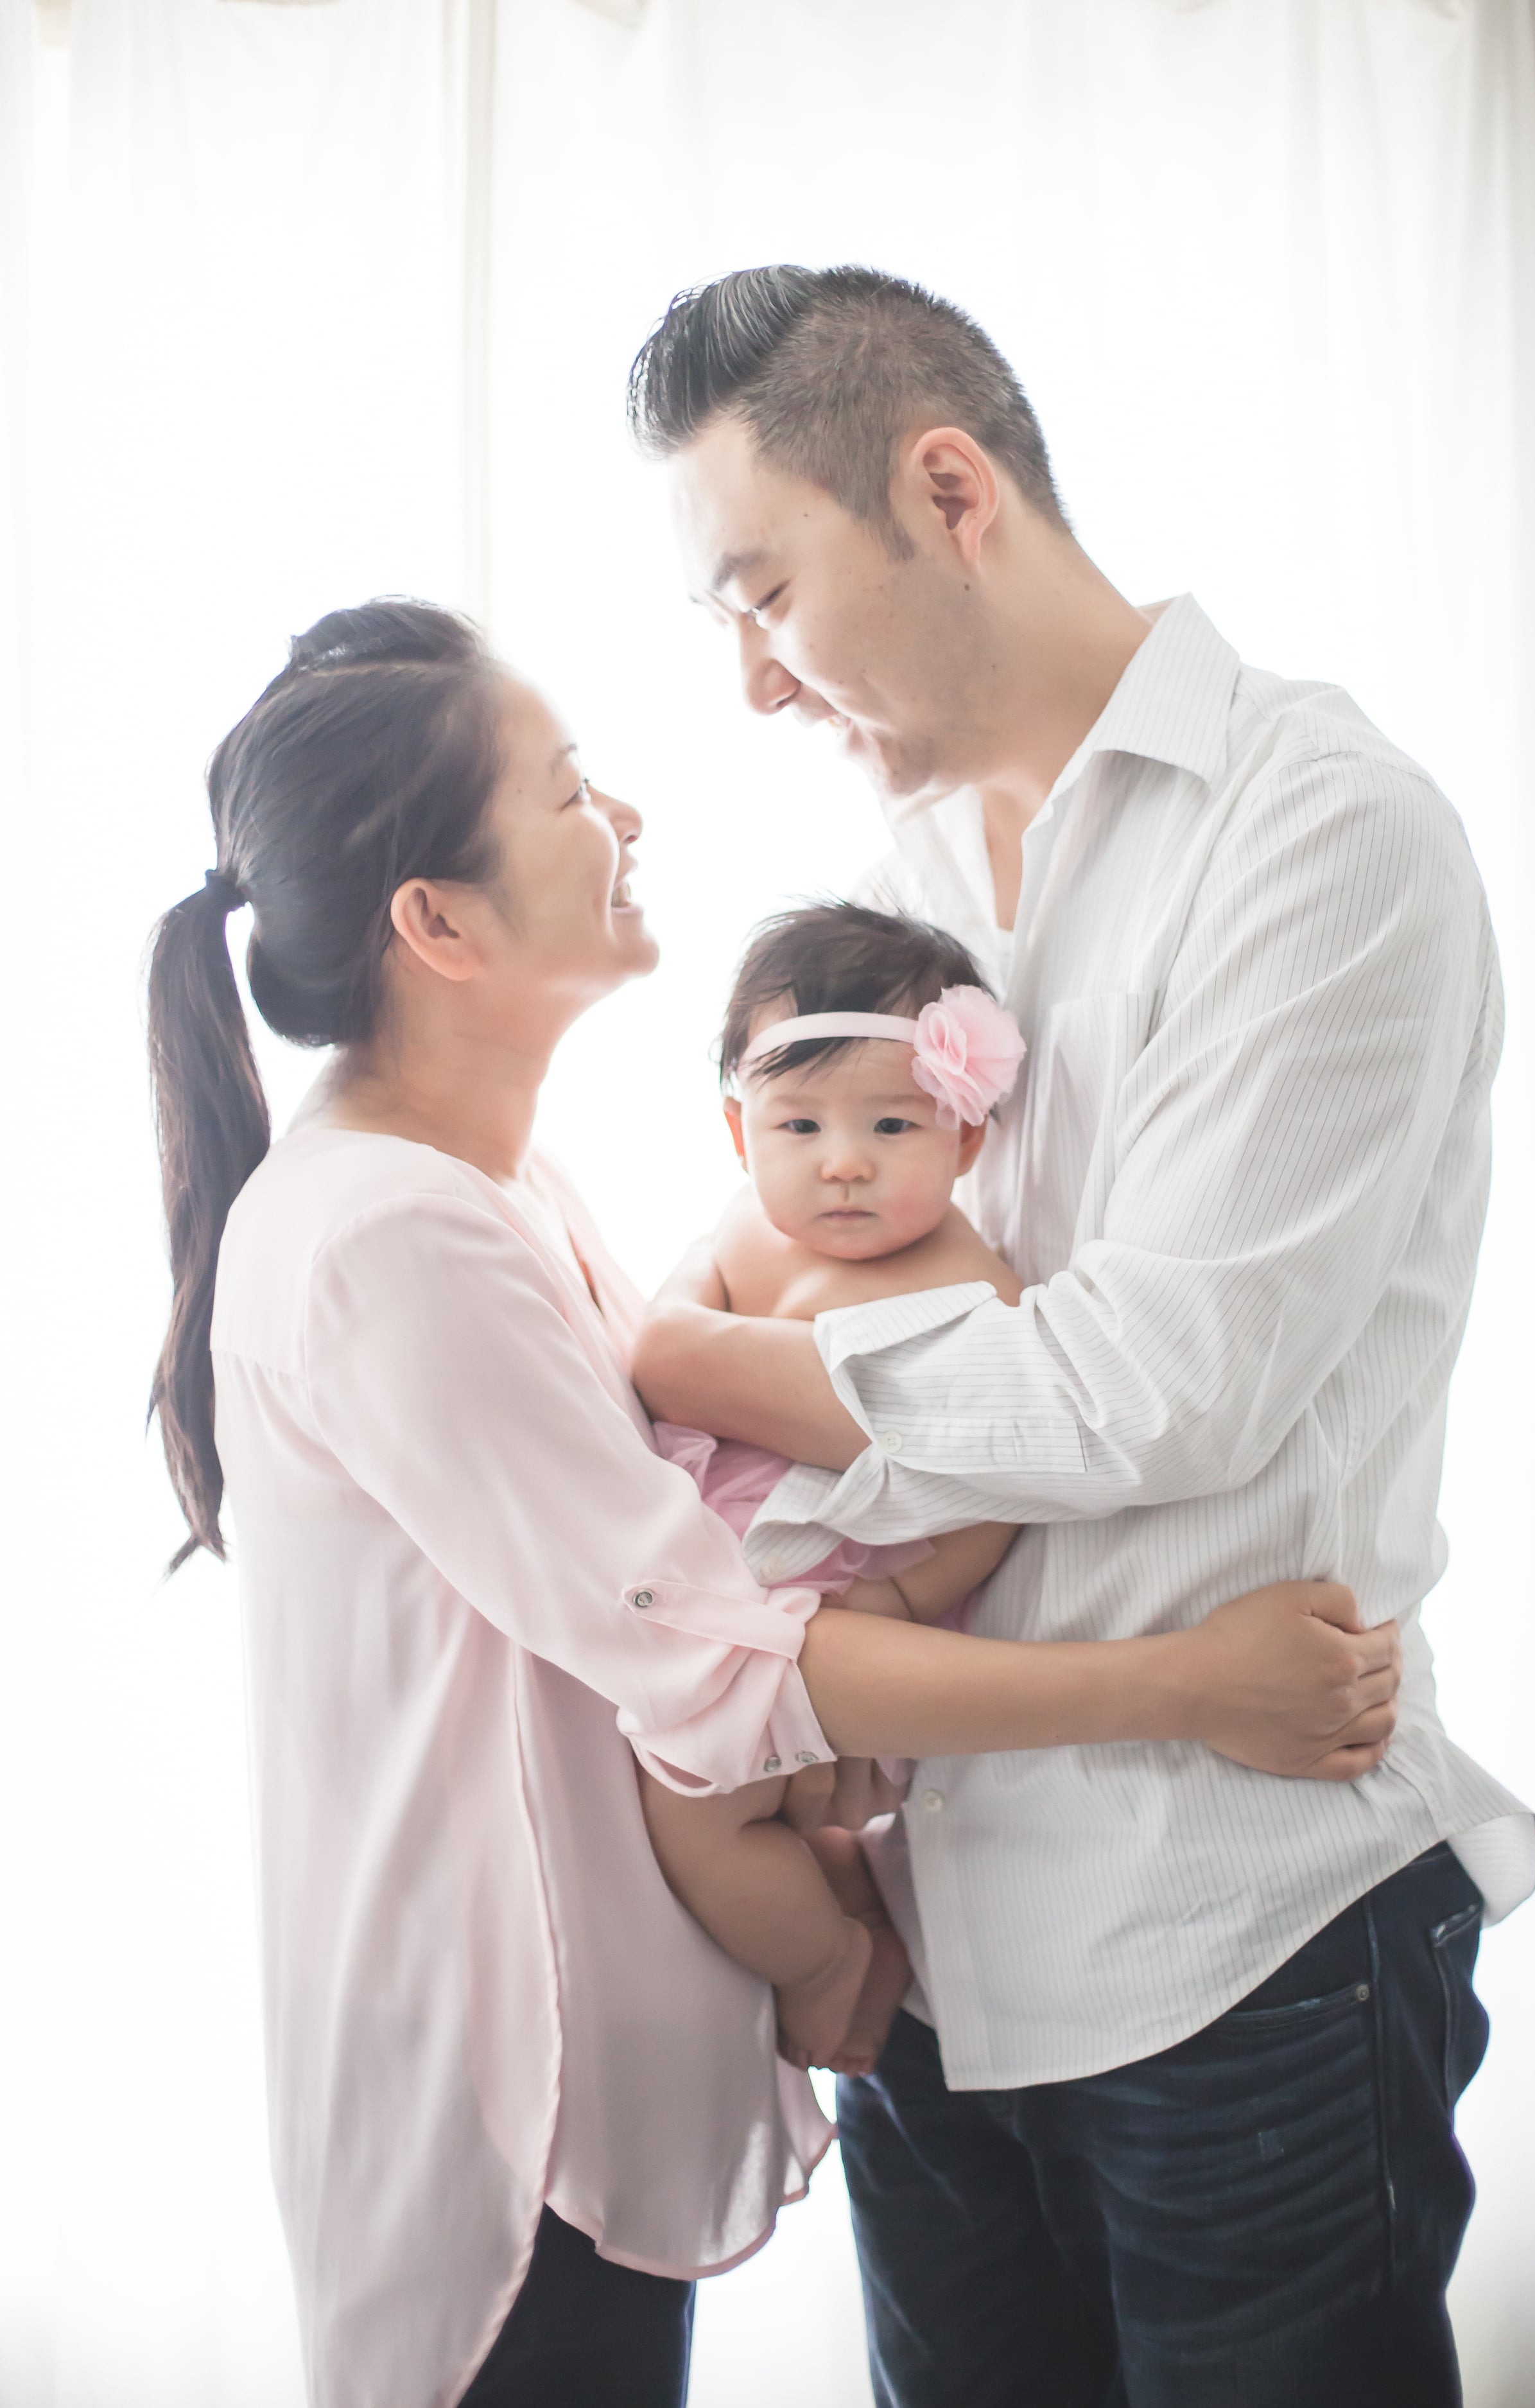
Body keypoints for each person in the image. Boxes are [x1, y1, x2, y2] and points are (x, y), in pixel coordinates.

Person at [144, 600, 1399, 2408]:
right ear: (435, 921)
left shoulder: (494, 1187)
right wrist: (1192, 1681)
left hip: (570, 2083)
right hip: (503, 2114)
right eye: (570, 788)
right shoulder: (387, 1232)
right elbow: (723, 1658)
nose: (626, 817)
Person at [626, 264, 1535, 2407]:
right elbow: (831, 1251)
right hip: (938, 1940)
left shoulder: (1319, 831)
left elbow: (1158, 1382)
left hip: (1236, 1936)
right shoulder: (914, 867)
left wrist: (674, 1363)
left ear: (947, 491)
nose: (758, 684)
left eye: (767, 595)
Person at [644, 901, 1028, 2077]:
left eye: (892, 1123)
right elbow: (660, 1327)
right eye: (798, 1122)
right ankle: (854, 1896)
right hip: (718, 1576)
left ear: (964, 1138)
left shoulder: (972, 1281)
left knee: (693, 1816)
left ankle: (826, 1967)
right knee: (694, 1807)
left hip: (842, 1600)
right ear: (738, 1130)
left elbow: (1004, 1477)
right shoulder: (740, 1233)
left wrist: (916, 1598)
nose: (843, 1158)